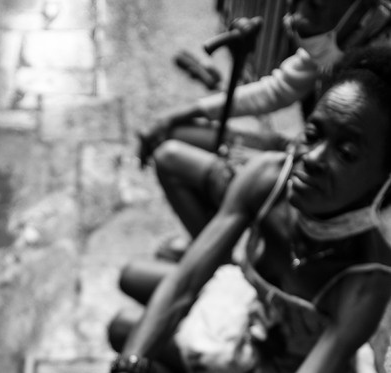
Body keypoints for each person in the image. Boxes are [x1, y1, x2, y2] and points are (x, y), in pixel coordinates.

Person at [91, 47, 391, 373]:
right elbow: (186, 282)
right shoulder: (270, 178)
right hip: (255, 314)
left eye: (346, 152)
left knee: (123, 331)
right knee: (134, 282)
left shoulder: (367, 276)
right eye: (313, 133)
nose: (312, 157)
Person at [138, 0, 391, 261]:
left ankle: (222, 262)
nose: (296, 19)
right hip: (297, 156)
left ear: (362, 9)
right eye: (295, 3)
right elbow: (277, 89)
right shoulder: (337, 38)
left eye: (315, 6)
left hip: (322, 187)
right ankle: (212, 245)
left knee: (170, 158)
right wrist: (181, 113)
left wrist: (268, 173)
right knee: (176, 134)